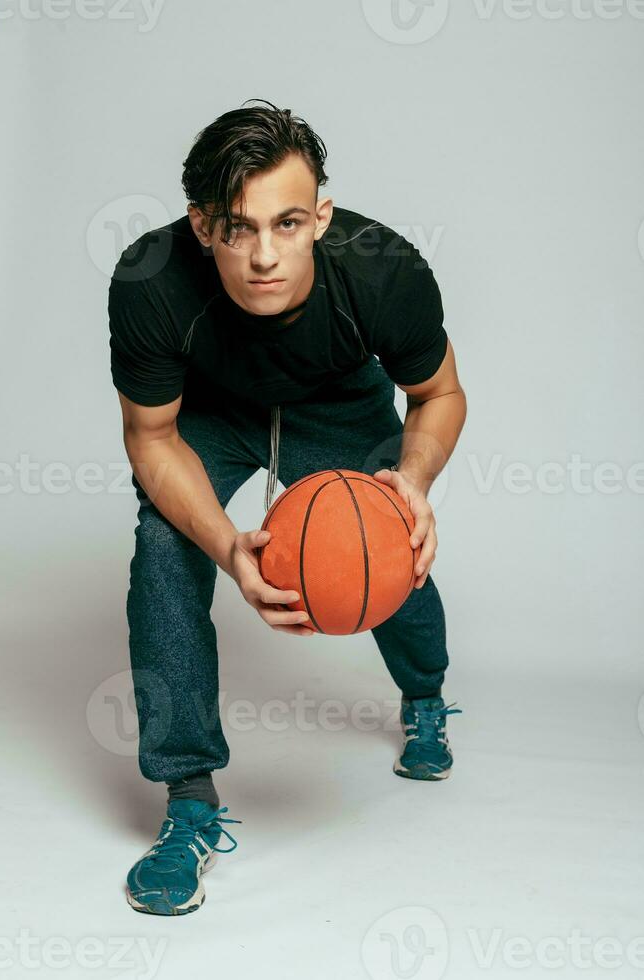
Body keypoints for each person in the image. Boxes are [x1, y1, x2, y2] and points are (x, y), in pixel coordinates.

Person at [107, 99, 467, 916]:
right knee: (164, 548)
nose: (265, 255)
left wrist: (410, 480)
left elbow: (440, 393)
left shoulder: (382, 267)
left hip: (338, 403)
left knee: (388, 546)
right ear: (202, 227)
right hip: (215, 408)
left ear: (323, 216)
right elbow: (153, 439)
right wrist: (229, 546)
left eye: (289, 223)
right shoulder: (152, 280)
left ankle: (424, 694)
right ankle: (190, 799)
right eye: (238, 228)